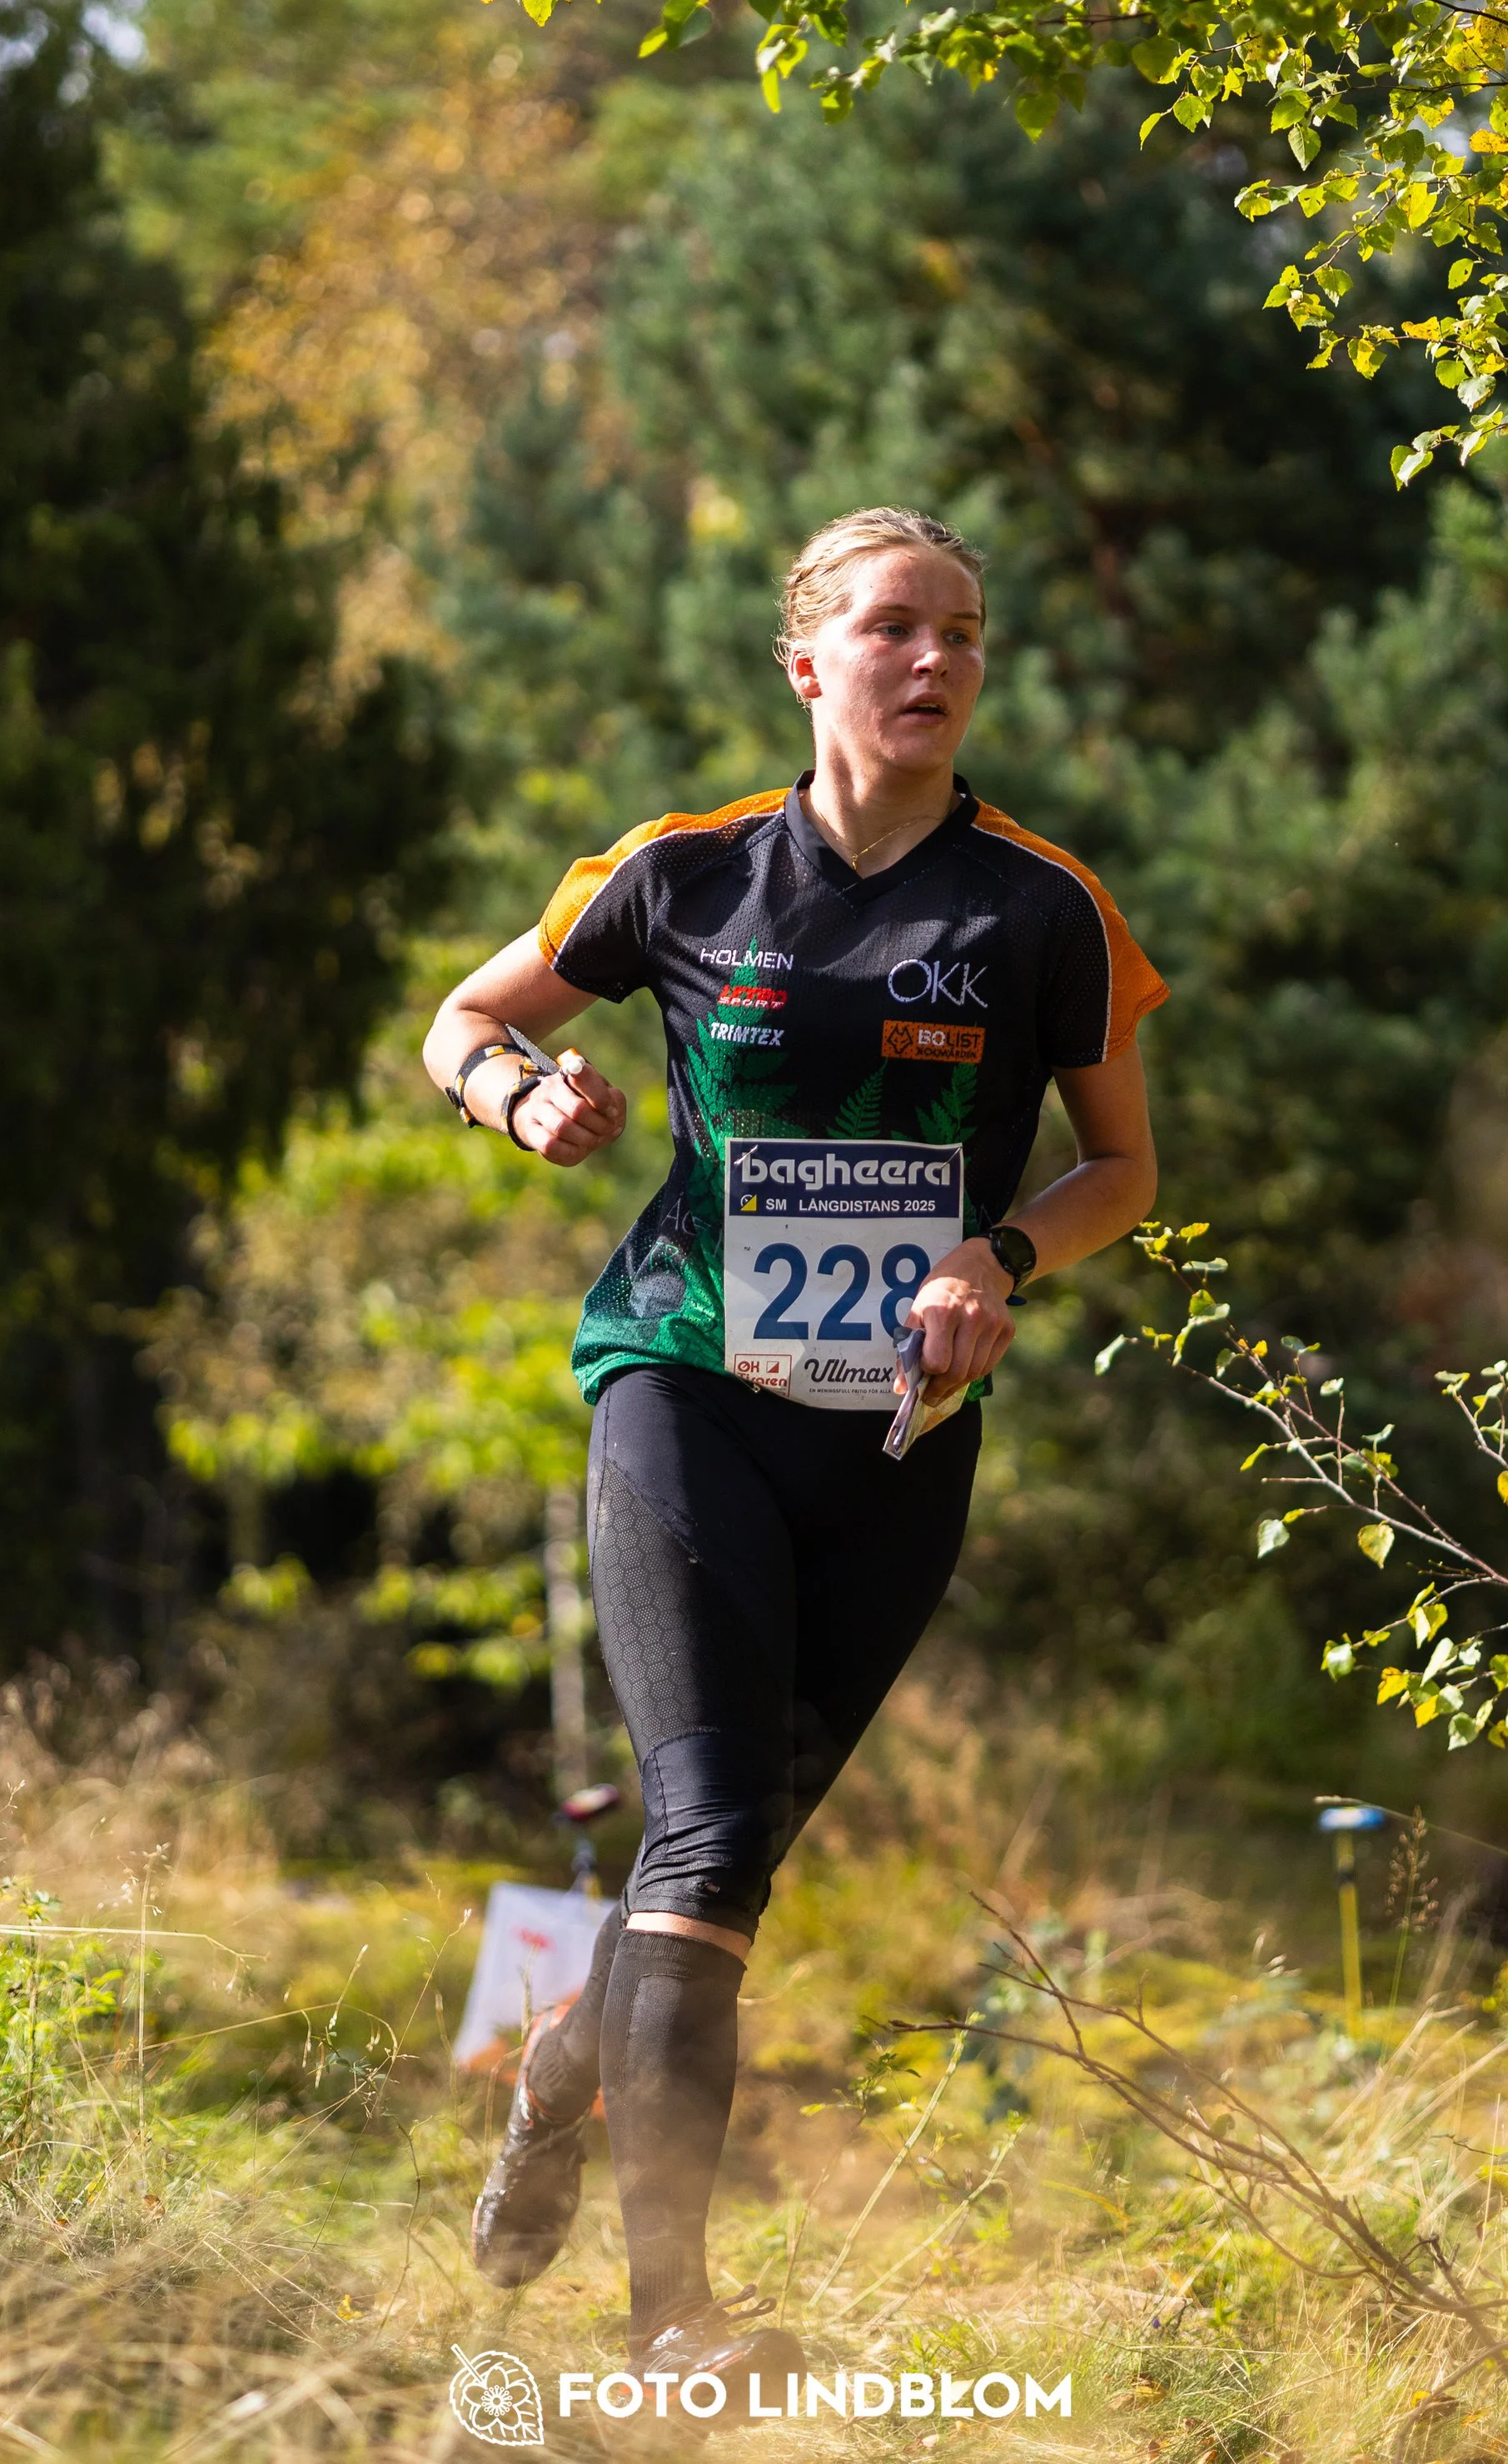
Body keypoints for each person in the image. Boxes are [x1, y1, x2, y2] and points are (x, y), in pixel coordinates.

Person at [424, 505, 1164, 2407]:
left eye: (963, 634)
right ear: (806, 660)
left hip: (897, 1438)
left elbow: (1121, 1170)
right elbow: (463, 1016)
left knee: (721, 1858)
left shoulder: (1041, 908)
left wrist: (999, 1259)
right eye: (896, 628)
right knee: (707, 1825)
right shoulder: (683, 872)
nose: (935, 662)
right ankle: (669, 2322)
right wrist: (521, 1095)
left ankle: (558, 2074)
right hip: (683, 1380)